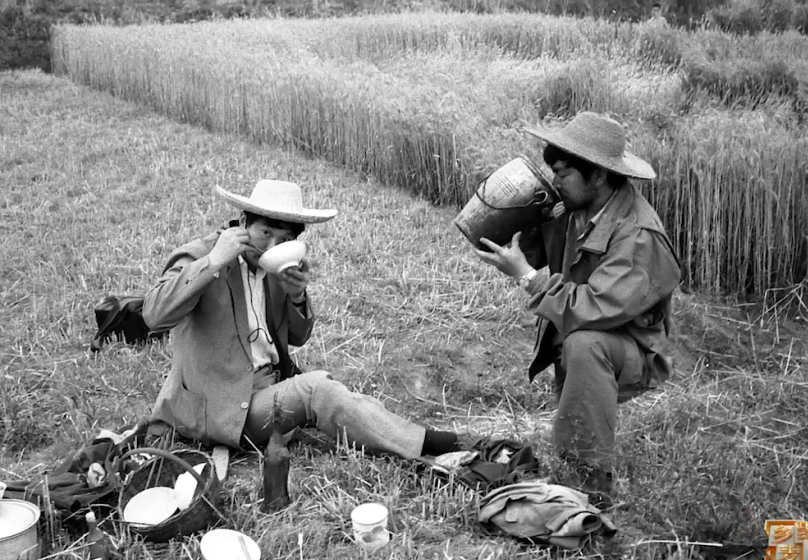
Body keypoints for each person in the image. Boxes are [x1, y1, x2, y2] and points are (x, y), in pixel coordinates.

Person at [142, 179, 467, 460]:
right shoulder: (201, 255)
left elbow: (297, 337)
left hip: (268, 387)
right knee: (317, 390)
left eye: (284, 240)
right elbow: (155, 315)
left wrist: (296, 296)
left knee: (342, 396)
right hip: (219, 408)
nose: (271, 246)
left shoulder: (275, 266)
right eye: (264, 232)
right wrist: (213, 262)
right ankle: (435, 445)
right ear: (242, 222)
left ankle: (420, 442)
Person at [473, 112, 681, 507]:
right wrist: (507, 219)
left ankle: (590, 484)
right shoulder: (575, 209)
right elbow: (536, 250)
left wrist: (526, 277)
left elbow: (592, 307)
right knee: (578, 345)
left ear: (598, 175)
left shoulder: (638, 235)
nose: (555, 183)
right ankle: (573, 458)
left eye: (563, 173)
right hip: (592, 331)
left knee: (584, 344)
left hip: (634, 350)